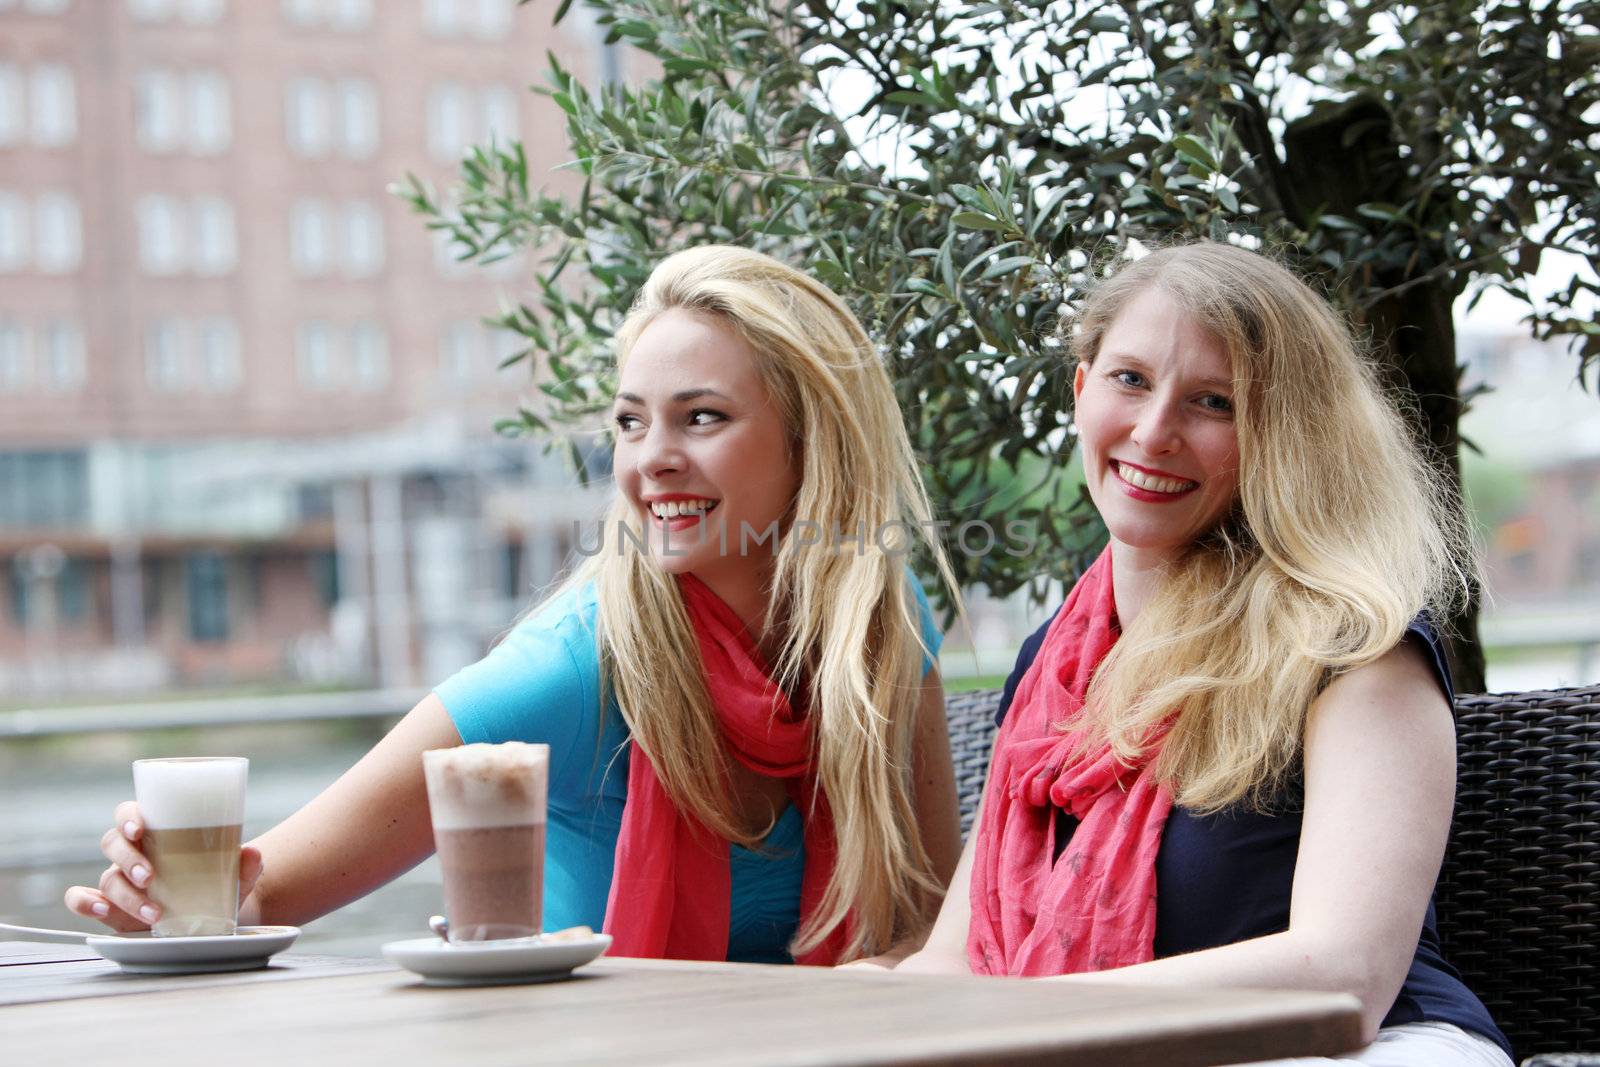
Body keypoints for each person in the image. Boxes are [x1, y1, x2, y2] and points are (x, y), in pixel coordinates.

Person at [65, 245, 963, 966]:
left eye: (701, 418)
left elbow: (930, 921)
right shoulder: (577, 665)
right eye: (629, 420)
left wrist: (884, 979)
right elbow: (262, 888)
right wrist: (166, 897)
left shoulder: (879, 623)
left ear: (812, 441)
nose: (651, 457)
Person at [881, 243, 1513, 1064]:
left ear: (1283, 435)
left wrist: (1029, 1012)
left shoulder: (1354, 644)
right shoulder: (1053, 663)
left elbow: (1345, 979)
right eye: (1130, 380)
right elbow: (958, 955)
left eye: (1213, 402)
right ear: (1081, 387)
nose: (1154, 431)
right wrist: (861, 1002)